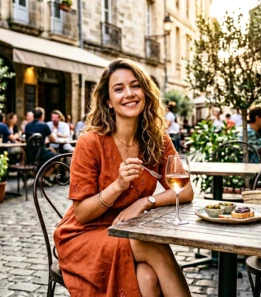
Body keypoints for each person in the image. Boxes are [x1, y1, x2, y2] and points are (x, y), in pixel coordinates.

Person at [54, 58, 193, 297]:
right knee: (153, 244)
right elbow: (82, 214)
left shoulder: (157, 139)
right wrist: (118, 185)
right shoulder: (90, 142)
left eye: (135, 85)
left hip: (127, 232)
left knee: (147, 277)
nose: (129, 93)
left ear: (145, 92)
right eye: (119, 89)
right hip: (84, 235)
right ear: (108, 101)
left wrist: (145, 202)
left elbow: (186, 190)